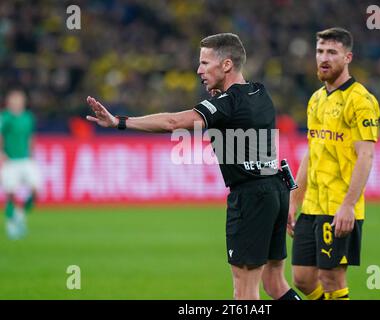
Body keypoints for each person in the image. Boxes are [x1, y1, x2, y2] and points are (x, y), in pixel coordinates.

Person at [86, 33, 301, 300]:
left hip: (250, 198)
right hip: (275, 189)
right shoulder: (260, 92)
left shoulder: (226, 103)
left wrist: (118, 121)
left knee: (244, 292)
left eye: (205, 62)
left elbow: (173, 123)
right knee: (275, 283)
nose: (198, 69)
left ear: (226, 65)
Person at [287, 28, 380, 300]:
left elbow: (366, 155)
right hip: (313, 205)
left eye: (332, 52)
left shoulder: (360, 101)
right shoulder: (316, 99)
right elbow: (311, 152)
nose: (323, 58)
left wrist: (349, 205)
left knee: (332, 278)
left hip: (339, 204)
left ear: (348, 57)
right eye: (319, 52)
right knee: (302, 279)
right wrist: (294, 200)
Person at [0, 89, 41, 239]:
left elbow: (30, 136)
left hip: (25, 160)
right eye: (14, 99)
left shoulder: (28, 117)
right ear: (9, 102)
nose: (16, 102)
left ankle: (20, 213)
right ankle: (11, 224)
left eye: (19, 99)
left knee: (36, 190)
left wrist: (31, 153)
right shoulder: (5, 117)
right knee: (10, 194)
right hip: (10, 161)